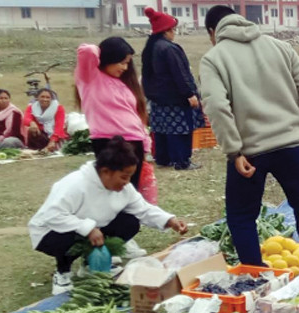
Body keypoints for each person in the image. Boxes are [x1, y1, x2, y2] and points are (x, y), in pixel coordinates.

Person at [199, 6, 299, 267]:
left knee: (242, 216)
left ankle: (255, 275)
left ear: (212, 31)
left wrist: (233, 151)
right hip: (291, 145)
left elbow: (216, 107)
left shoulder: (213, 59)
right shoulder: (280, 47)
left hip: (249, 153)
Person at [29, 137, 188, 295]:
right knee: (67, 238)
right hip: (49, 232)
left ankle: (91, 264)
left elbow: (143, 209)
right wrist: (88, 228)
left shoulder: (124, 188)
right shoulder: (76, 184)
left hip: (91, 228)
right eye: (124, 176)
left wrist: (169, 220)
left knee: (129, 222)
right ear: (106, 172)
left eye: (130, 177)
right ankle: (62, 272)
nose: (127, 182)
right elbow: (53, 215)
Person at [75, 37, 149, 190]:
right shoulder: (90, 77)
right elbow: (87, 51)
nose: (125, 67)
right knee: (113, 188)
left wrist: (145, 140)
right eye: (122, 62)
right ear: (109, 57)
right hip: (108, 142)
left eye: (127, 63)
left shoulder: (124, 84)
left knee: (131, 190)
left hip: (134, 142)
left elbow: (133, 114)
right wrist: (104, 49)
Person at [142, 7, 204, 170]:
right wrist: (189, 93)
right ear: (166, 31)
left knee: (162, 130)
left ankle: (163, 159)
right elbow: (180, 73)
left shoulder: (150, 48)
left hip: (158, 99)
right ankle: (182, 161)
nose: (174, 33)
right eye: (173, 30)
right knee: (180, 130)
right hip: (175, 98)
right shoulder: (169, 49)